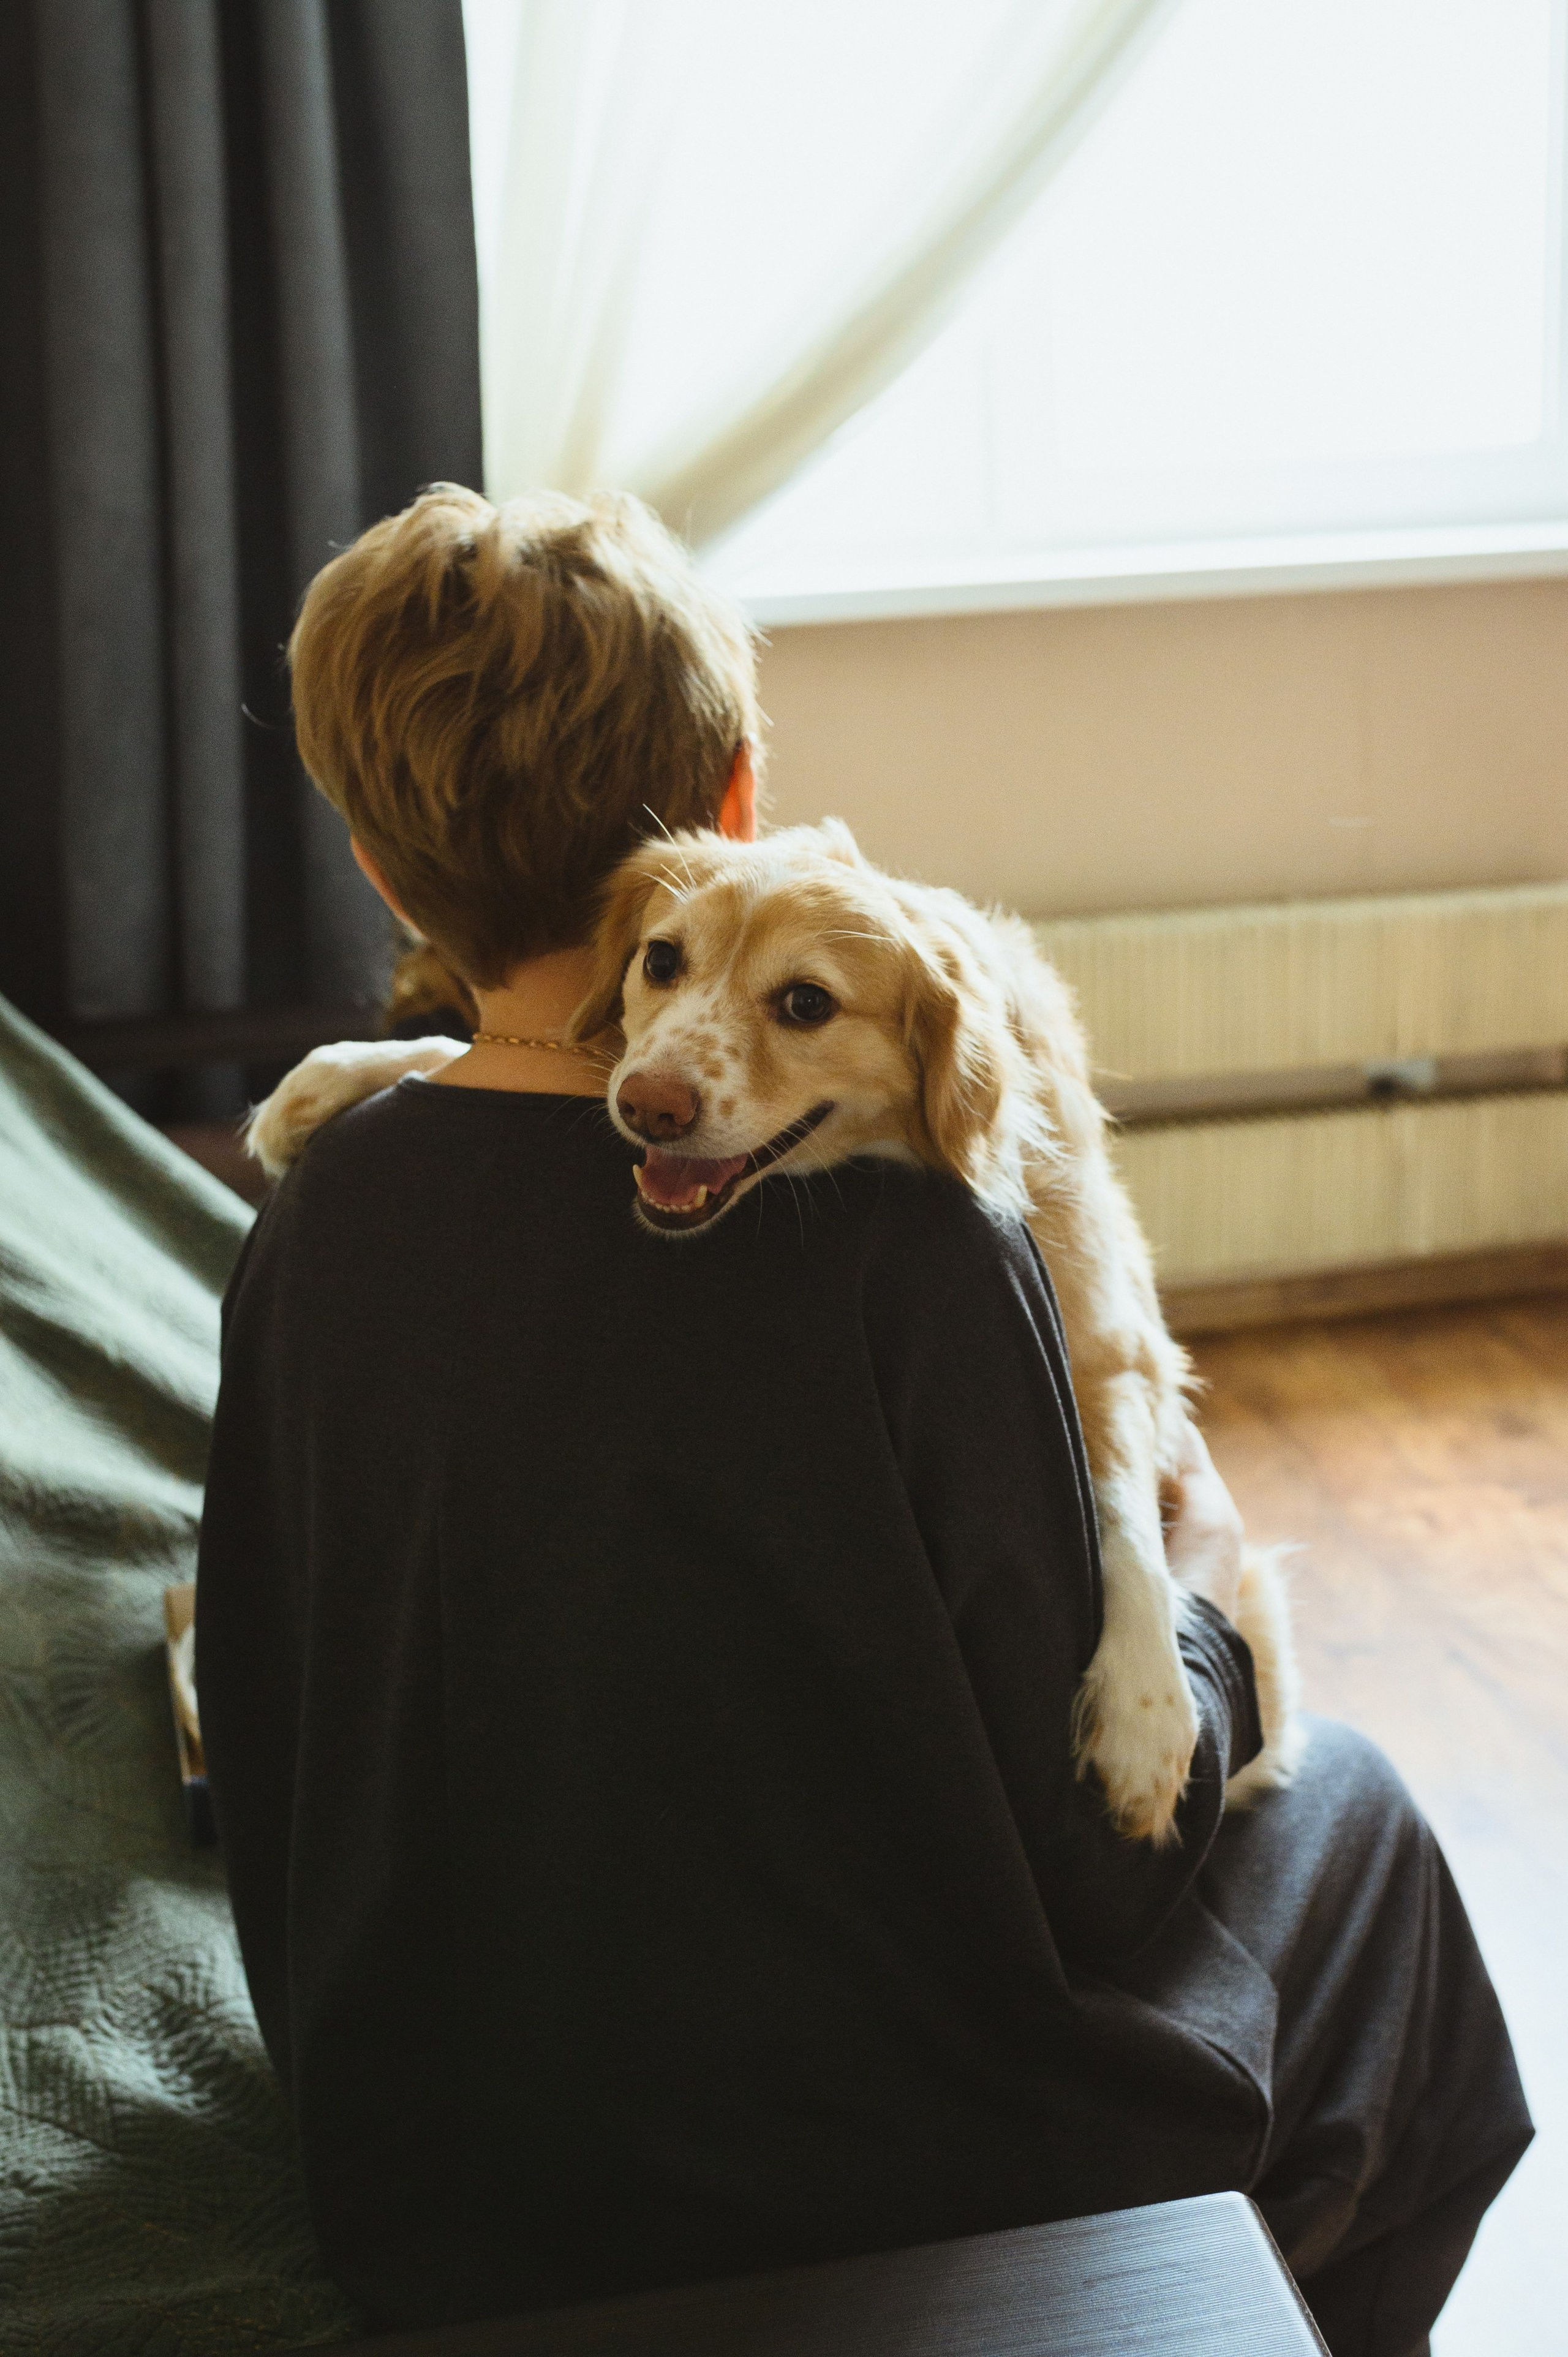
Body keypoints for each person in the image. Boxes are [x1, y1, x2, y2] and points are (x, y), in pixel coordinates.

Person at [197, 485, 1531, 2355]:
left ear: (368, 857)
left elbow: (262, 1723)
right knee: (1370, 1818)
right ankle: (1197, 2305)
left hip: (439, 2182)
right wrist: (1209, 1610)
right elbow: (1099, 1854)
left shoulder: (317, 1203)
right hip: (893, 2177)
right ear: (739, 795)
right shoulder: (902, 1248)